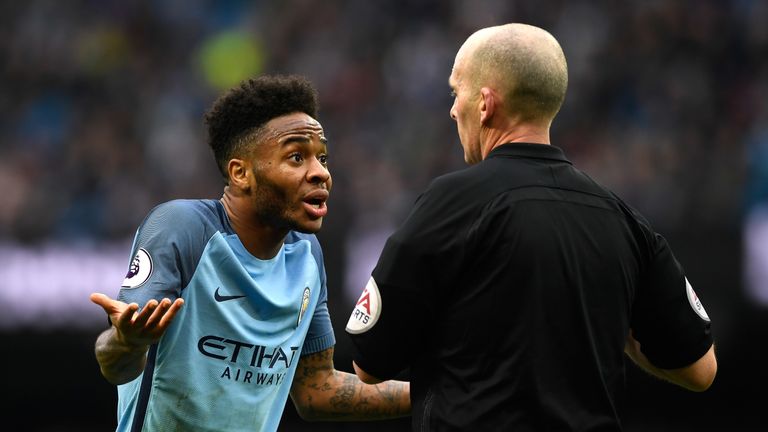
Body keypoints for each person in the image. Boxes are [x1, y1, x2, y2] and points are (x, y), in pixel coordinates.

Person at [345, 23, 717, 431]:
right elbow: (700, 369)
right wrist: (619, 325)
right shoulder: (623, 219)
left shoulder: (452, 204)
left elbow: (369, 361)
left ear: (485, 104)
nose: (453, 109)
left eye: (457, 92)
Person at [90, 74, 410, 432]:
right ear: (241, 173)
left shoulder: (306, 254)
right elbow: (115, 363)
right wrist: (128, 343)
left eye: (322, 157)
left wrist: (435, 392)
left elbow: (317, 390)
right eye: (296, 157)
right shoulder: (182, 228)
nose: (320, 173)